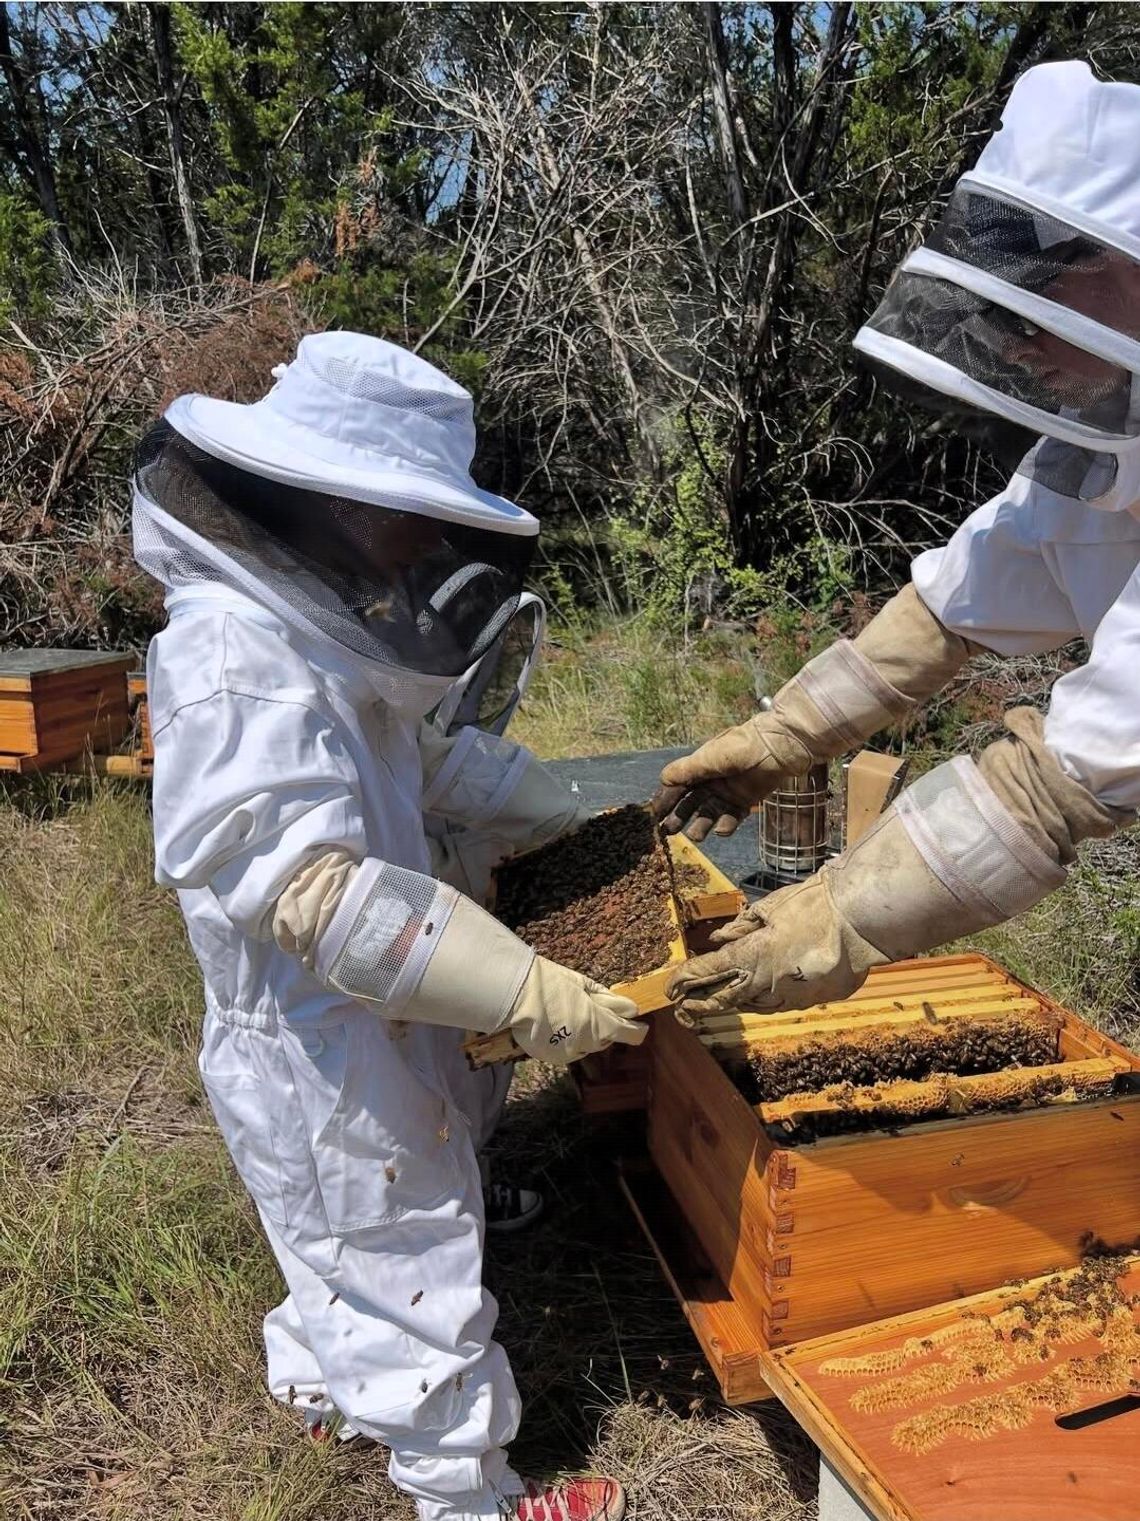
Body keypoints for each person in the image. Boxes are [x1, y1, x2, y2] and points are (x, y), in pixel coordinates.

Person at [133, 331, 642, 1521]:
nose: (421, 549)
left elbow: (425, 759)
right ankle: (466, 1494)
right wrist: (526, 990)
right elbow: (307, 892)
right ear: (335, 504)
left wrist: (575, 807)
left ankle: (317, 1376)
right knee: (400, 1251)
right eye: (406, 521)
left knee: (349, 1224)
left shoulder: (313, 630)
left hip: (370, 1006)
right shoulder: (232, 658)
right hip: (320, 1034)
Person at [654, 60, 1140, 1019]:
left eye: (1036, 293)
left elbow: (1071, 778)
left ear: (1129, 271)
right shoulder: (1103, 443)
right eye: (997, 302)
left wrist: (843, 913)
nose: (1013, 340)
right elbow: (959, 598)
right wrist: (784, 735)